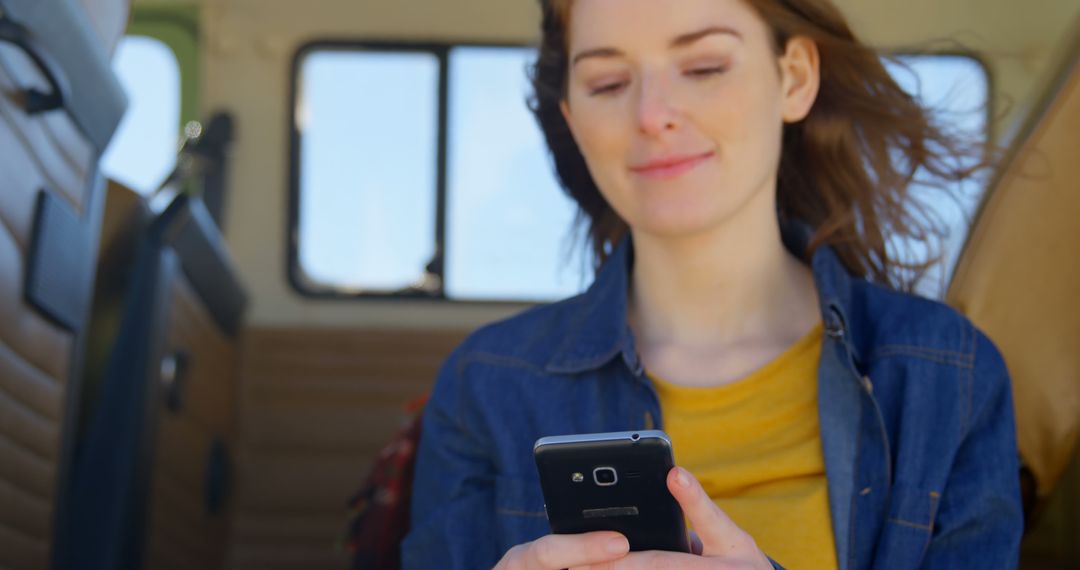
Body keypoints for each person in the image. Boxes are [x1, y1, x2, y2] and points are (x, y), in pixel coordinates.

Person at [402, 0, 1023, 568]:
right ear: (572, 116)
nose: (651, 115)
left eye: (703, 66)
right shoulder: (483, 385)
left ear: (795, 78)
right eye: (608, 83)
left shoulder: (953, 377)